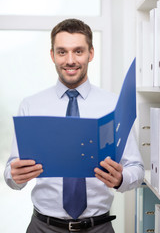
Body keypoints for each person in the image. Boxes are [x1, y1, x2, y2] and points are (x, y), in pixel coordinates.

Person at [4, 18, 144, 233]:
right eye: (62, 52)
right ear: (52, 55)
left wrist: (121, 179)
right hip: (43, 227)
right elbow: (12, 172)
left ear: (91, 53)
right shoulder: (31, 105)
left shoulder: (114, 105)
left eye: (78, 51)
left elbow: (137, 168)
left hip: (99, 227)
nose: (70, 60)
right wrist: (14, 177)